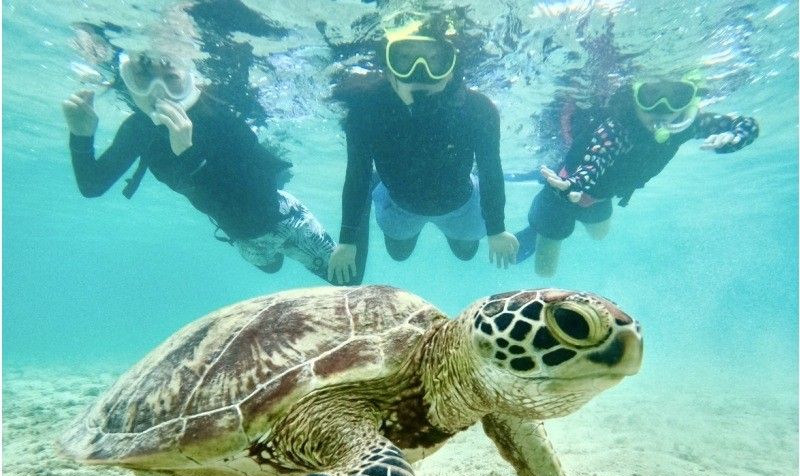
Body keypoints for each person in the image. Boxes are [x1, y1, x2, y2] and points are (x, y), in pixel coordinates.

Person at [62, 49, 338, 282]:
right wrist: (81, 136)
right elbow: (92, 186)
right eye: (143, 78)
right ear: (128, 81)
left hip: (284, 220)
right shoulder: (139, 130)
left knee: (345, 279)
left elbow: (259, 195)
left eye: (171, 78)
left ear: (188, 77)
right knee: (271, 268)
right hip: (242, 239)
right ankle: (272, 259)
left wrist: (187, 154)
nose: (158, 92)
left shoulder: (220, 114)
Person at [326, 14, 519, 286]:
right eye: (404, 58)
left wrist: (496, 229)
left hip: (461, 203)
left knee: (466, 254)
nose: (420, 72)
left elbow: (491, 170)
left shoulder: (478, 110)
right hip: (400, 204)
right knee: (398, 254)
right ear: (389, 66)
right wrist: (346, 240)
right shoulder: (367, 110)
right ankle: (381, 185)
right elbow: (357, 174)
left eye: (434, 59)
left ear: (452, 66)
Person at [515, 78, 759, 276]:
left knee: (600, 235)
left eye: (676, 97)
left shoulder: (688, 125)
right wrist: (572, 186)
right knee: (546, 272)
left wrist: (734, 139)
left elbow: (745, 123)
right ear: (633, 98)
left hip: (599, 198)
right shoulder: (617, 129)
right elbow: (595, 161)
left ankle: (550, 225)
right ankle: (540, 229)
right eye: (651, 96)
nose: (663, 109)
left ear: (688, 100)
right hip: (562, 194)